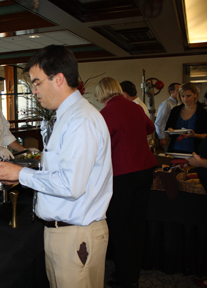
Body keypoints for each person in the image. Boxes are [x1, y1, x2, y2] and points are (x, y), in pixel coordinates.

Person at [0, 45, 113, 288]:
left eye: (36, 83)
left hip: (76, 235)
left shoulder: (80, 120)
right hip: (66, 233)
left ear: (58, 79)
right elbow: (62, 173)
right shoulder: (67, 116)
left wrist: (21, 173)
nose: (34, 91)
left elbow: (71, 185)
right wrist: (23, 176)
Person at [94, 77, 158, 288]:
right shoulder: (135, 107)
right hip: (146, 170)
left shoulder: (105, 114)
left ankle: (126, 279)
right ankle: (132, 275)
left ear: (101, 94)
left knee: (121, 228)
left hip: (123, 175)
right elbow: (150, 129)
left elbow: (99, 146)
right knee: (136, 225)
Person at [165, 83, 207, 153]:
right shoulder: (175, 111)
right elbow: (168, 129)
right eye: (183, 96)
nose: (185, 99)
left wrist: (195, 135)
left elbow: (206, 135)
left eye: (188, 96)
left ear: (195, 94)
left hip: (196, 152)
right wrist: (170, 131)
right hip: (175, 150)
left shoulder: (202, 113)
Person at [154, 83, 181, 149]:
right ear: (172, 91)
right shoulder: (166, 104)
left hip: (174, 134)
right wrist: (162, 138)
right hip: (166, 135)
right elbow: (158, 122)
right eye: (178, 90)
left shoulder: (178, 103)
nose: (180, 92)